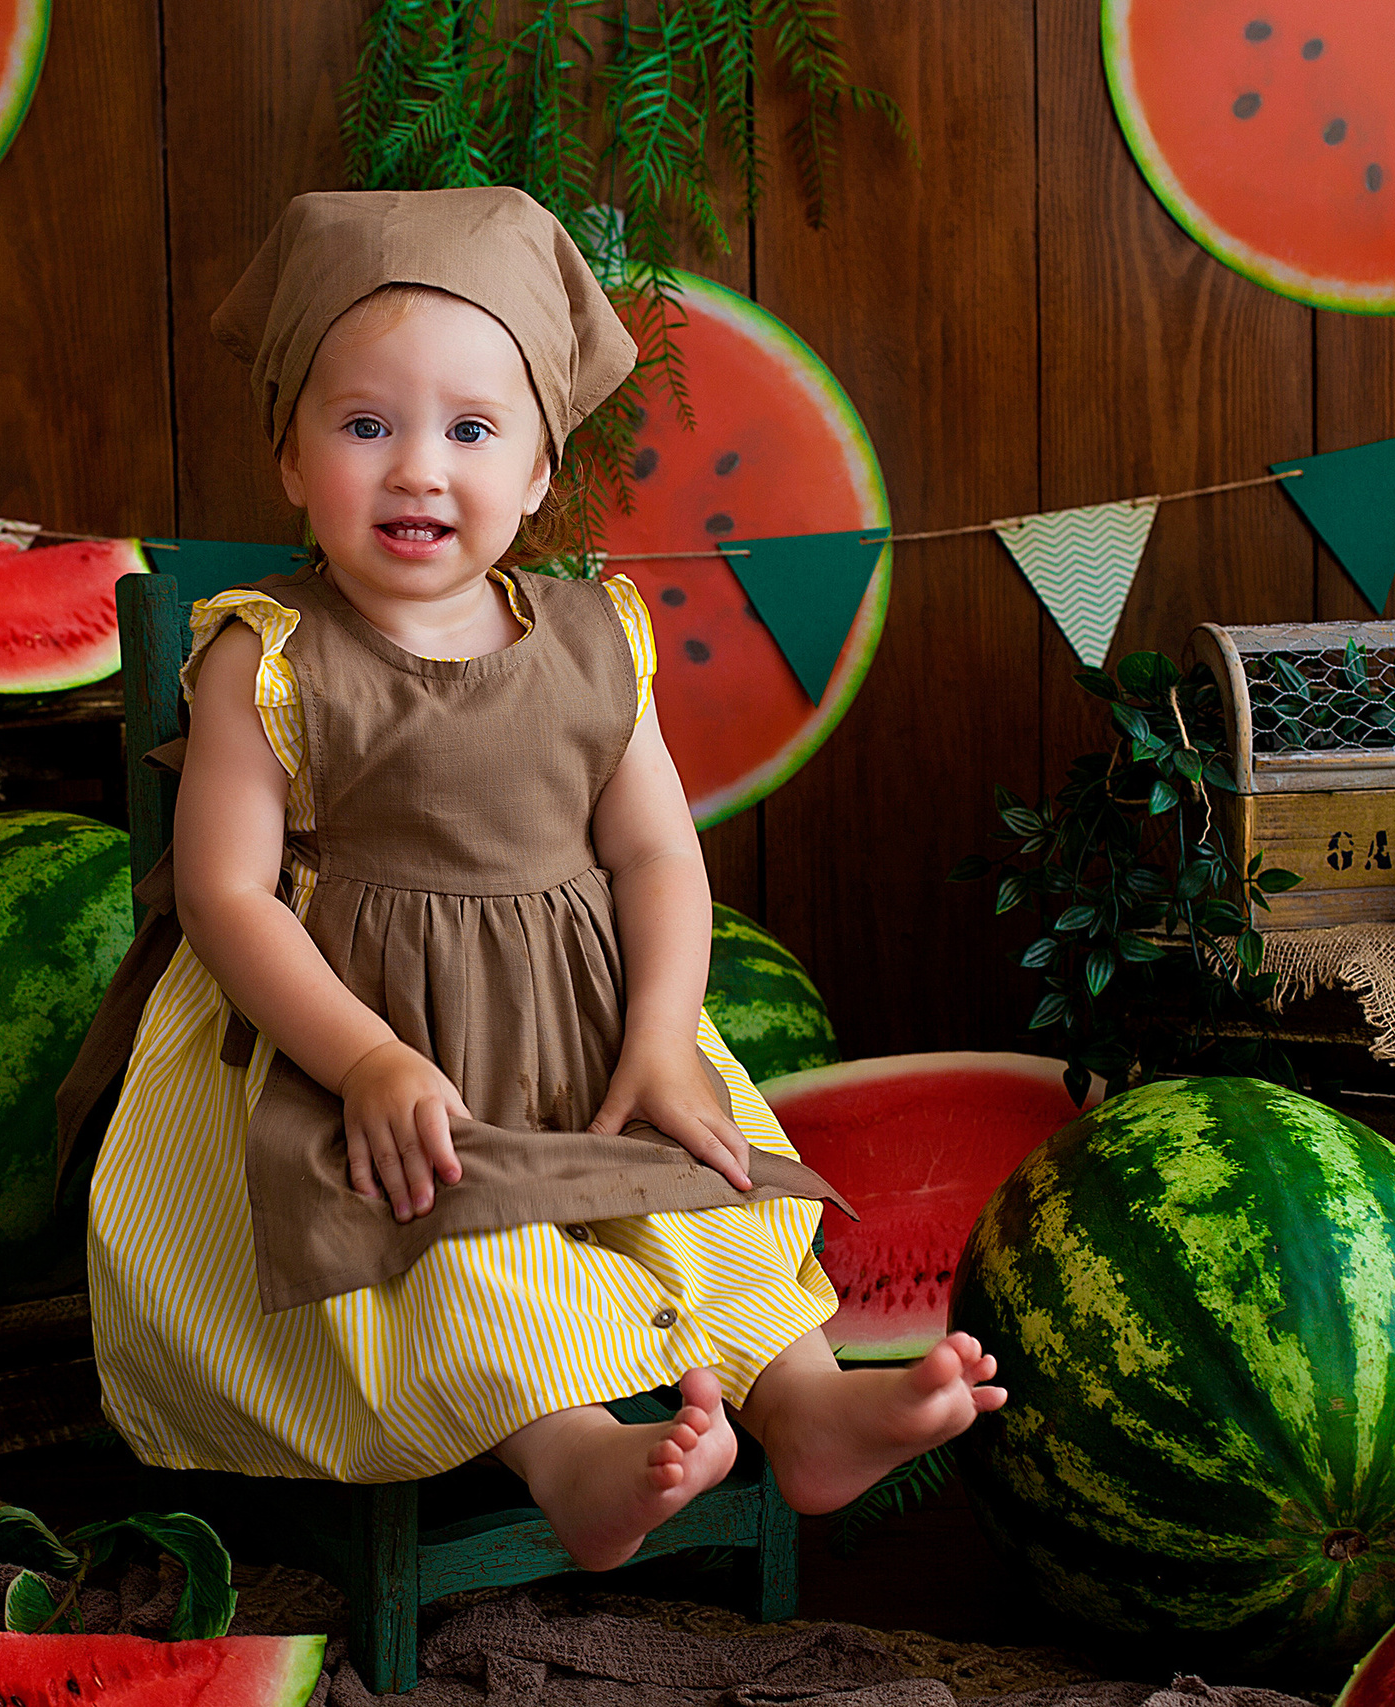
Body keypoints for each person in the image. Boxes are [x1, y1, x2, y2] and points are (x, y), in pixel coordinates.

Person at [58, 186, 1002, 1572]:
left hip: (590, 1032)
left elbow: (654, 853)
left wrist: (669, 1040)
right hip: (365, 1056)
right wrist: (370, 1059)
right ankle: (575, 1458)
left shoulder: (591, 637)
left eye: (471, 431)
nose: (418, 469)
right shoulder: (261, 657)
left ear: (543, 472)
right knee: (454, 1248)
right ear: (289, 457)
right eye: (365, 425)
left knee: (710, 1201)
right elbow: (227, 899)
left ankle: (806, 1409)